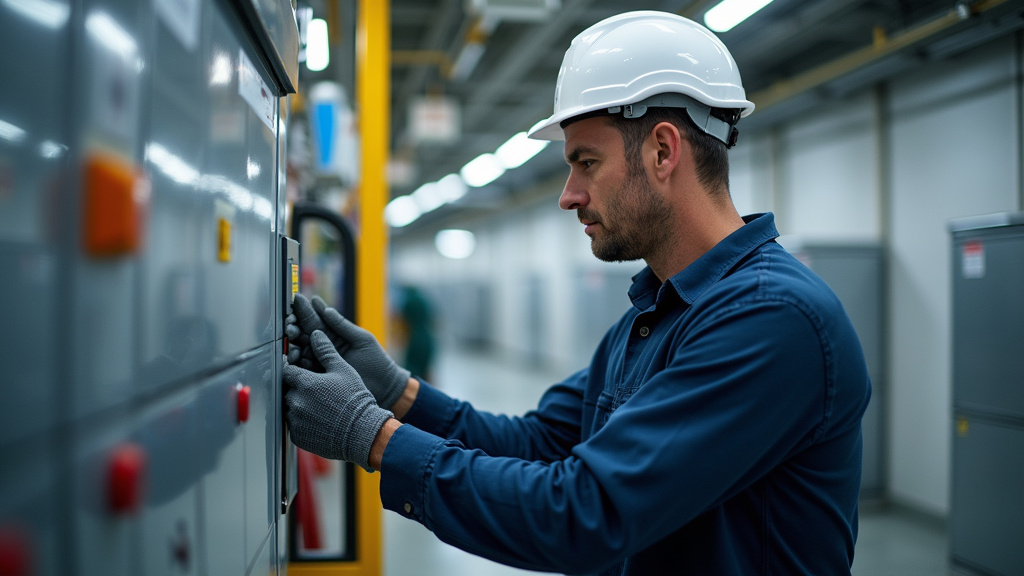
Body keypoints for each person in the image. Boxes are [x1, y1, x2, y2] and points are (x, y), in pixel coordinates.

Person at [282, 10, 871, 575]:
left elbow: (586, 514)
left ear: (663, 151)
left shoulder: (770, 317)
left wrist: (372, 436)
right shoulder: (655, 314)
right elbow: (540, 443)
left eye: (586, 162)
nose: (569, 195)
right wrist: (396, 392)